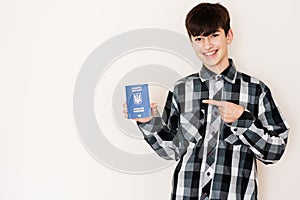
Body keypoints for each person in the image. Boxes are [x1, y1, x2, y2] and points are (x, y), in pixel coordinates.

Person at [123, 2, 289, 200]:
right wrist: (149, 122)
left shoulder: (256, 90)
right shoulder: (181, 89)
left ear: (229, 36)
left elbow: (275, 151)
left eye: (214, 35)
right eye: (199, 38)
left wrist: (242, 120)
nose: (207, 46)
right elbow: (171, 151)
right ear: (192, 42)